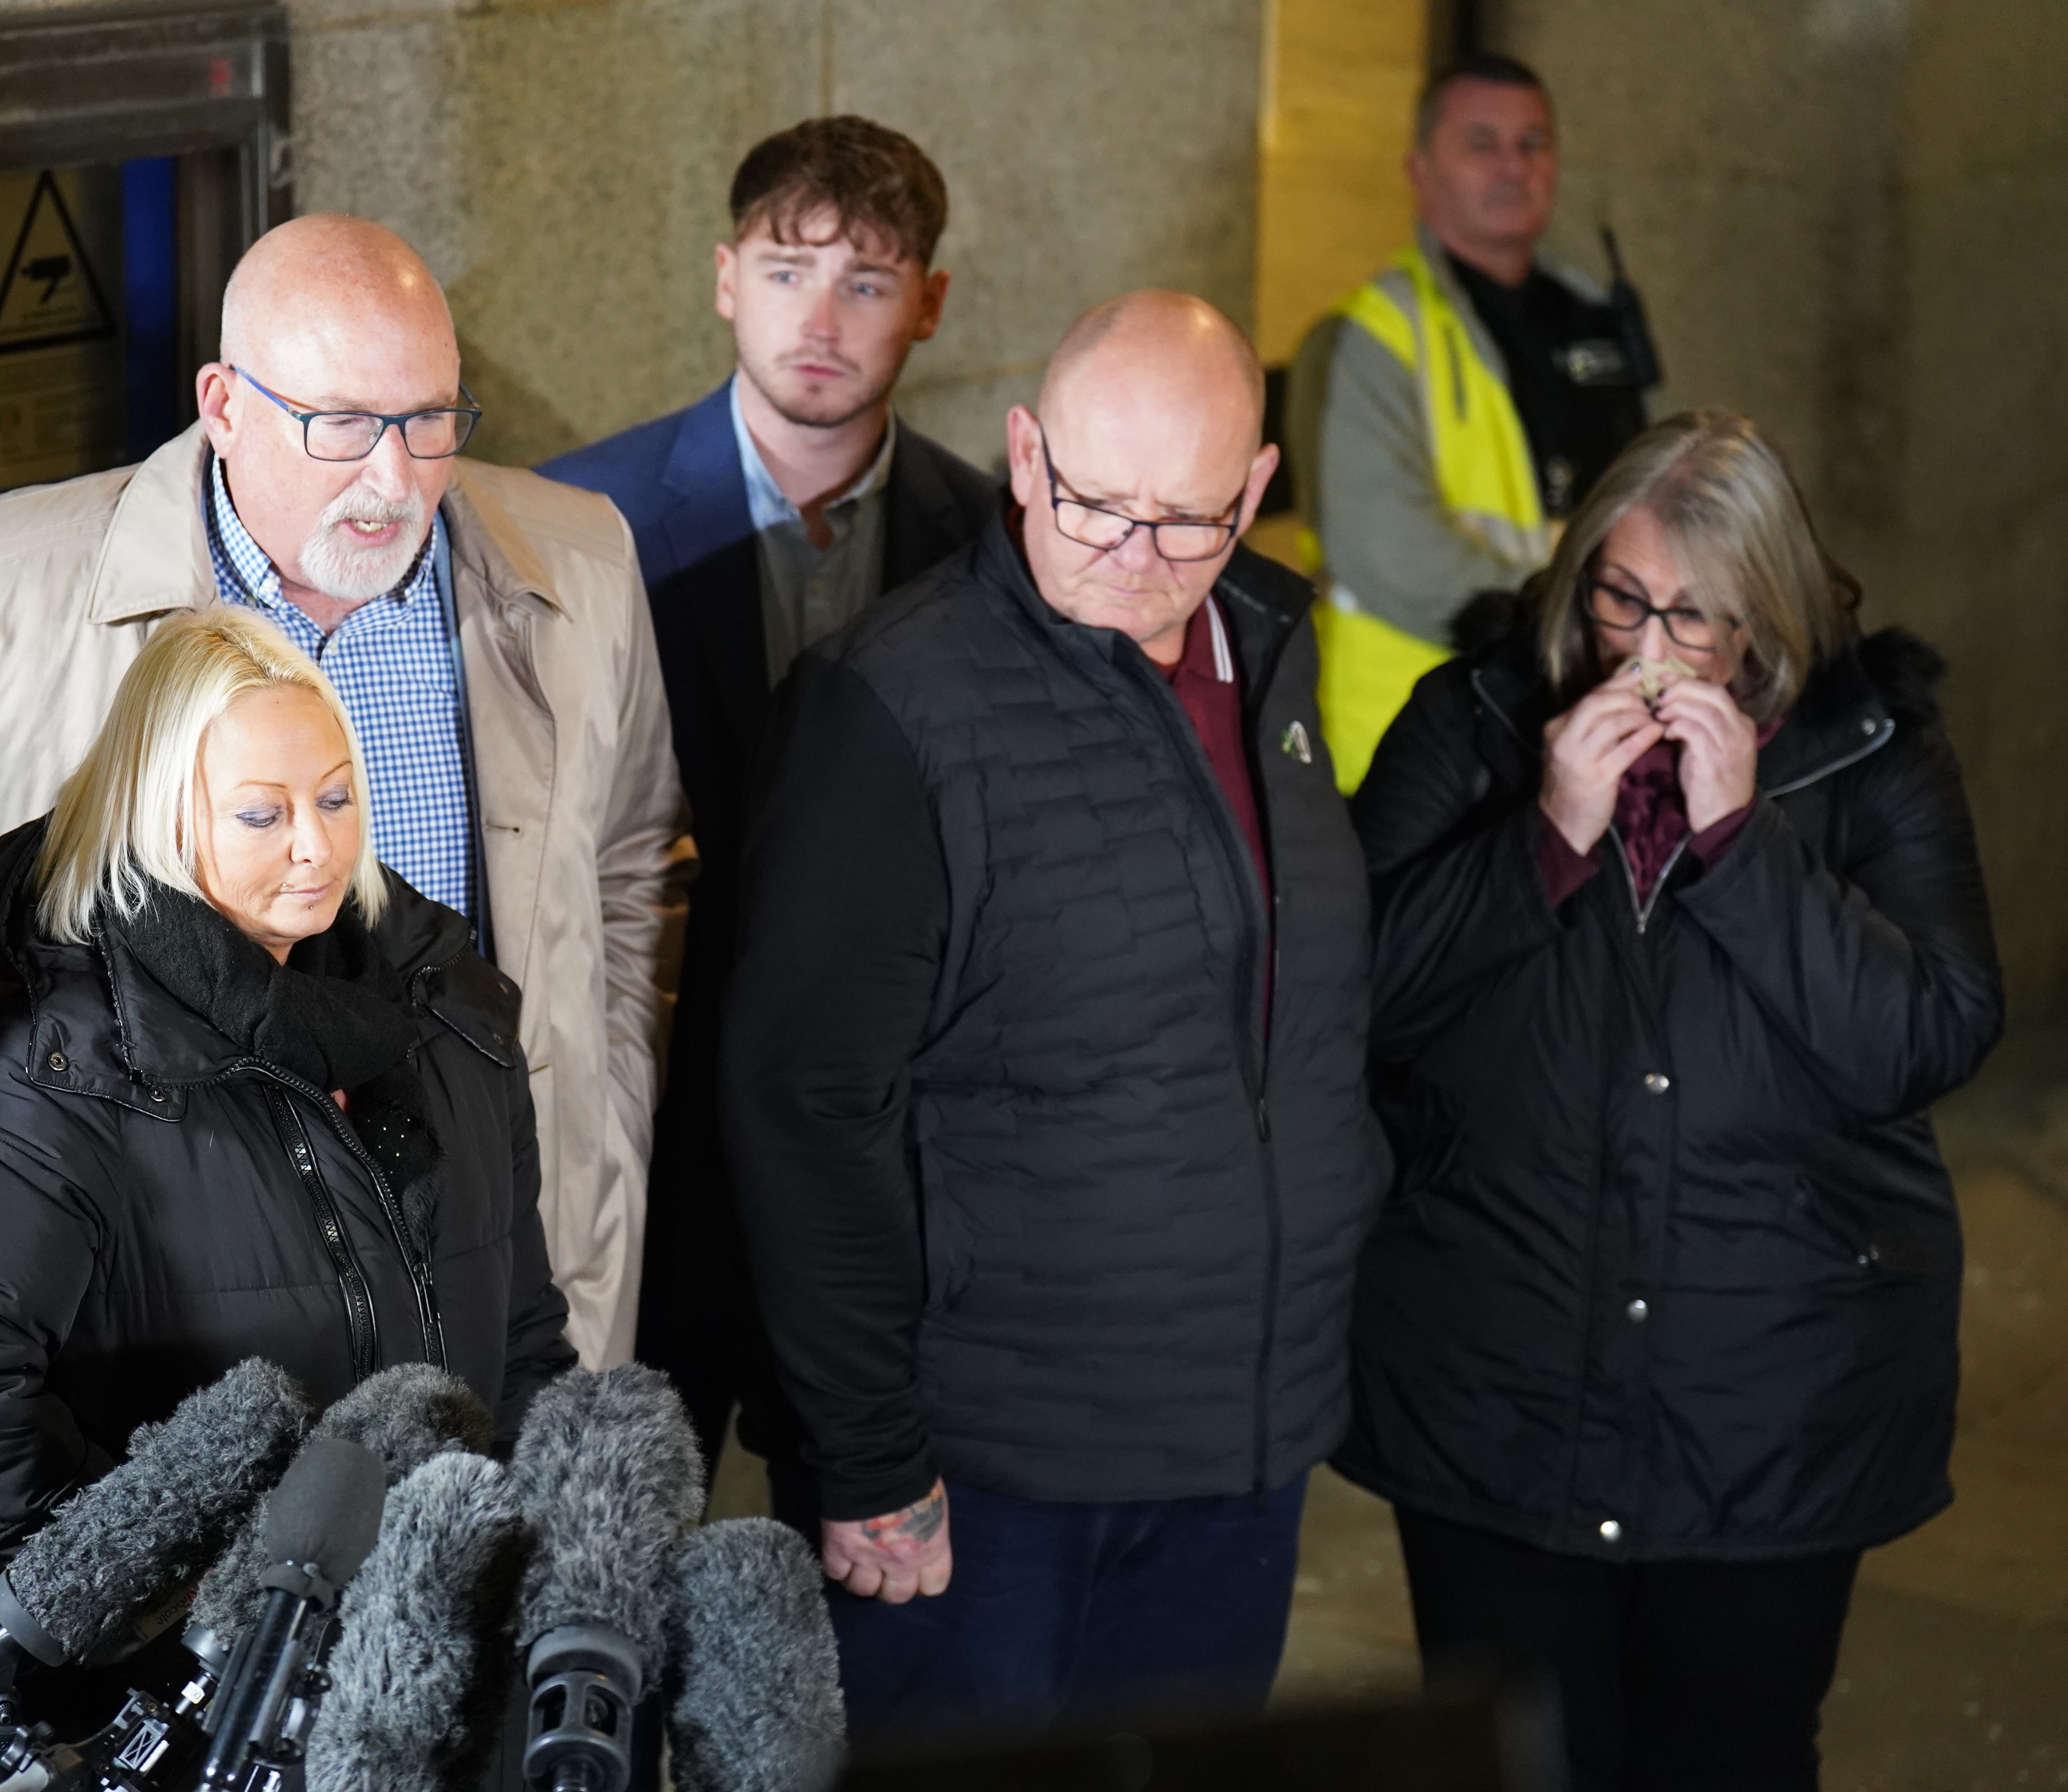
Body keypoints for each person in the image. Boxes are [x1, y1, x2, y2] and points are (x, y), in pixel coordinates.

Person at [723, 291, 1387, 1730]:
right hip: (988, 1480)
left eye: (1189, 522)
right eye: (1094, 507)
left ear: (1258, 493)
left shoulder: (1273, 654)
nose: (1137, 563)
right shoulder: (885, 708)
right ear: (1024, 455)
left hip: (1237, 1449)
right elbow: (803, 1108)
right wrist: (871, 1459)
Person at [0, 214, 689, 1369]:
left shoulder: (584, 559)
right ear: (223, 406)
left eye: (429, 421)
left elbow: (629, 869)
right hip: (180, 1299)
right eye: (343, 424)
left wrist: (604, 1118)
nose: (394, 476)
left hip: (504, 1272)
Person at [1339, 412, 2003, 1791]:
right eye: (1620, 598)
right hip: (1494, 1387)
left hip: (1770, 1402)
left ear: (1767, 619)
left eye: (1696, 620)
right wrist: (1544, 838)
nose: (1645, 649)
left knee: (1732, 1758)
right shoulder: (1470, 721)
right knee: (1519, 1760)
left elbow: (1926, 1038)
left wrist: (1742, 843)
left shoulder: (1871, 749)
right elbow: (1352, 1002)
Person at [0, 607, 572, 1589]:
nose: (317, 847)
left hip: (443, 1652)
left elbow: (527, 1335)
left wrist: (512, 1580)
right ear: (160, 816)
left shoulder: (452, 1014)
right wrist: (157, 1613)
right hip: (227, 1705)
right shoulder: (70, 1068)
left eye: (335, 798)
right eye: (261, 813)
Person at [541, 115, 1002, 1507]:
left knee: (863, 1605)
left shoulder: (993, 547)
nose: (823, 317)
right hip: (649, 1125)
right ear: (726, 277)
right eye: (791, 269)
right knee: (613, 1587)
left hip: (884, 1155)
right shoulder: (579, 521)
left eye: (868, 281)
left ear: (928, 305)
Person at [1289, 51, 1654, 790]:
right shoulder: (1371, 336)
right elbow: (1391, 556)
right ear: (1420, 173)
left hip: (1579, 737)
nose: (1512, 166)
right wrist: (1589, 618)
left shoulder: (1594, 317)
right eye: (1481, 144)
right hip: (1417, 753)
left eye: (1533, 143)